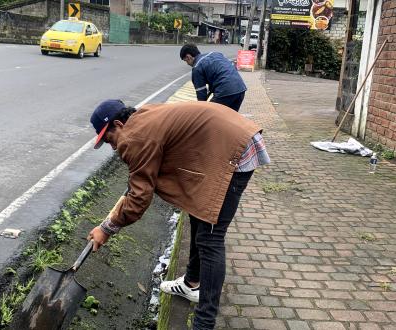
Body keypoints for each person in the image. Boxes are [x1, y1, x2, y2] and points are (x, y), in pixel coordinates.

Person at [87, 99, 270, 329]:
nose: (112, 147)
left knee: (210, 237)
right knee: (198, 211)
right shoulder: (143, 117)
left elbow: (139, 199)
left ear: (118, 124)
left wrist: (106, 229)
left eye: (109, 138)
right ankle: (191, 282)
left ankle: (203, 323)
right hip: (227, 140)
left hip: (235, 150)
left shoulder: (134, 138)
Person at [180, 44, 247, 112]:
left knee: (208, 114)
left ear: (189, 57)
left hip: (225, 91)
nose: (187, 64)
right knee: (230, 119)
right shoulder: (215, 54)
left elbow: (201, 95)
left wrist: (199, 111)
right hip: (240, 88)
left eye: (186, 61)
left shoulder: (197, 67)